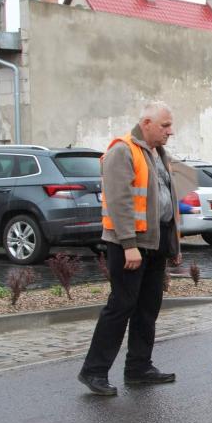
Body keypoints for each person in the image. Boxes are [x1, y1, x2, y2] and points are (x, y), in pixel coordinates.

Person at [78, 101, 182, 396]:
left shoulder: (160, 154)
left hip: (157, 240)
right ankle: (93, 371)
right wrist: (128, 245)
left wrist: (173, 243)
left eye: (170, 126)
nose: (169, 132)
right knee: (121, 305)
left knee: (148, 307)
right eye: (164, 126)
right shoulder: (122, 151)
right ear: (146, 123)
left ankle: (138, 367)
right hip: (130, 243)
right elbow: (119, 201)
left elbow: (168, 202)